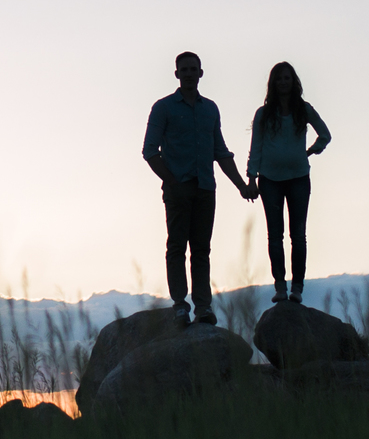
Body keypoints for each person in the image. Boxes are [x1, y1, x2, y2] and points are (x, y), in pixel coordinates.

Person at [141, 51, 255, 325]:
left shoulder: (210, 109)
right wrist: (171, 181)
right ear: (177, 74)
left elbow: (220, 151)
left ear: (201, 73)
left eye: (194, 69)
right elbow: (149, 151)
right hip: (178, 189)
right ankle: (180, 305)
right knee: (177, 247)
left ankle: (203, 307)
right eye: (185, 69)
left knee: (201, 249)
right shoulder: (163, 108)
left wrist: (242, 185)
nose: (190, 73)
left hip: (206, 188)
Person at [246, 61, 331, 304]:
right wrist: (251, 178)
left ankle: (297, 288)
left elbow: (325, 134)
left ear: (294, 82)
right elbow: (256, 147)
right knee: (275, 235)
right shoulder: (263, 114)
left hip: (299, 179)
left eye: (287, 78)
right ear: (272, 83)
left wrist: (313, 150)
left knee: (299, 235)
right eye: (279, 78)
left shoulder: (303, 110)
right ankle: (280, 287)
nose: (283, 82)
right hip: (270, 180)